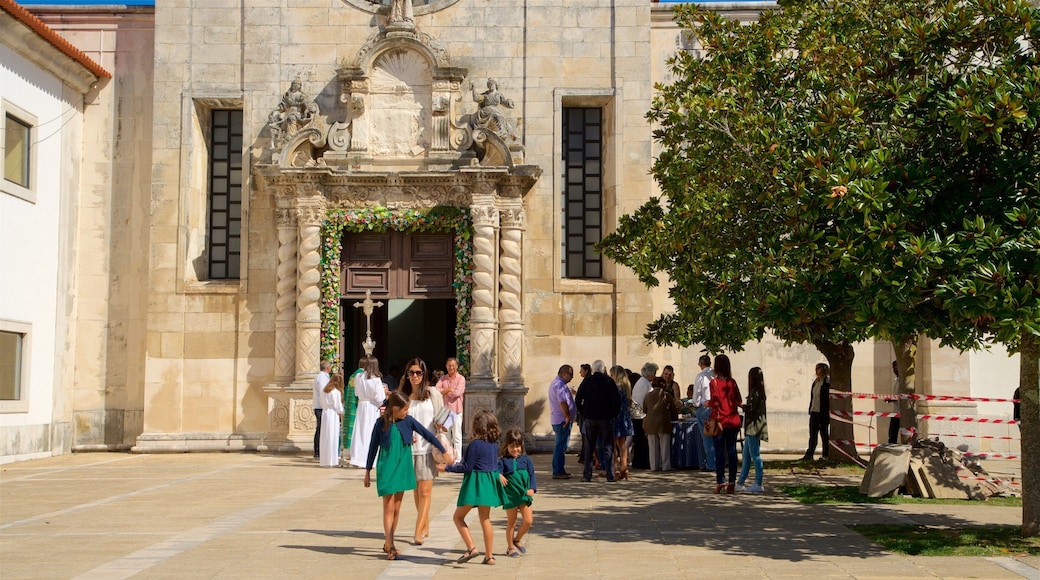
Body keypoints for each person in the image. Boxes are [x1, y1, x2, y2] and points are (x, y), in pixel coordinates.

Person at [363, 391, 446, 561]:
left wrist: (444, 450)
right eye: (405, 409)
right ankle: (390, 544)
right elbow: (373, 447)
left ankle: (389, 542)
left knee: (397, 507)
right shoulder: (380, 424)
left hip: (403, 466)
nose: (407, 412)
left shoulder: (408, 421)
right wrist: (367, 471)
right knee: (388, 506)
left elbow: (427, 434)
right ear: (394, 408)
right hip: (386, 466)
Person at [440, 409, 506, 566]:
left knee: (458, 517)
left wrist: (447, 468)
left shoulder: (474, 444)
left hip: (475, 484)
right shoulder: (494, 445)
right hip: (489, 483)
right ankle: (489, 556)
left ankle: (471, 547)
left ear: (476, 426)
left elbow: (467, 467)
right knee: (486, 519)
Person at [399, 357, 445, 546]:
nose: (415, 376)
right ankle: (424, 525)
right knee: (416, 492)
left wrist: (441, 426)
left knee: (425, 492)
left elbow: (444, 417)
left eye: (419, 372)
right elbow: (396, 420)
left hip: (427, 449)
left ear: (424, 374)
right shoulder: (402, 395)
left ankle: (417, 532)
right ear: (407, 374)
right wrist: (405, 433)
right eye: (412, 372)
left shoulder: (432, 393)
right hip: (409, 450)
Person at [575, 360, 622, 482]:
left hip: (590, 417)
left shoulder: (587, 381)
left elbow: (578, 399)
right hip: (605, 418)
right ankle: (610, 475)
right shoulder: (608, 381)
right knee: (608, 447)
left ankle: (587, 475)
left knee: (589, 447)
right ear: (603, 369)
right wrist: (613, 414)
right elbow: (617, 401)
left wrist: (584, 412)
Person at [498, 428, 536, 558]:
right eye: (512, 447)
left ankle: (517, 539)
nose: (515, 450)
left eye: (518, 447)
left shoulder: (526, 460)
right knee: (511, 523)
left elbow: (532, 475)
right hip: (511, 496)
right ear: (507, 446)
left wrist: (532, 488)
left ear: (522, 445)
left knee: (528, 521)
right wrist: (499, 475)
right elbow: (496, 471)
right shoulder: (503, 461)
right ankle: (510, 547)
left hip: (524, 494)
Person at [708, 354, 742, 494]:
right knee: (732, 451)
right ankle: (732, 481)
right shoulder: (732, 382)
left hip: (720, 421)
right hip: (733, 420)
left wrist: (707, 403)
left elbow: (715, 403)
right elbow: (738, 400)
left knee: (719, 452)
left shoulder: (714, 383)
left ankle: (720, 480)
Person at [350, 357, 390, 469]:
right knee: (370, 431)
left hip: (362, 405)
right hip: (372, 406)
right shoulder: (376, 379)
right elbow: (379, 397)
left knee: (360, 431)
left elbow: (357, 393)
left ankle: (357, 458)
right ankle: (368, 458)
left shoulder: (358, 377)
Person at [737, 367, 768, 493]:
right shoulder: (757, 392)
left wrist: (740, 405)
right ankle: (741, 481)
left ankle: (758, 482)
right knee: (746, 455)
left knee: (755, 455)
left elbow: (750, 408)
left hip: (754, 428)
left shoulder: (755, 393)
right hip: (751, 427)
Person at [643, 377, 678, 472]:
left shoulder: (647, 396)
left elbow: (644, 410)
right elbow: (673, 410)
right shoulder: (666, 395)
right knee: (665, 446)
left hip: (651, 424)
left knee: (653, 447)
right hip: (664, 423)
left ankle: (654, 466)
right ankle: (666, 466)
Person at [548, 365, 576, 479]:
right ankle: (558, 471)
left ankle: (560, 469)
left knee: (561, 445)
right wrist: (567, 417)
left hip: (560, 419)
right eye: (571, 375)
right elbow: (562, 402)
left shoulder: (559, 384)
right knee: (560, 446)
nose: (572, 377)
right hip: (561, 420)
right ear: (564, 373)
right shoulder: (559, 385)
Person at [436, 357, 466, 463]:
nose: (451, 368)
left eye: (453, 365)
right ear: (446, 366)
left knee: (457, 435)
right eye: (449, 365)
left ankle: (457, 459)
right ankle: (448, 457)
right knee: (446, 436)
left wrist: (444, 392)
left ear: (457, 366)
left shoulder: (461, 379)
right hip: (445, 411)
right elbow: (436, 390)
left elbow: (457, 393)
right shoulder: (443, 379)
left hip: (456, 411)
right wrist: (448, 390)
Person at [801, 363, 831, 461]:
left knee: (824, 434)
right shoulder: (815, 382)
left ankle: (825, 455)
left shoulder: (827, 382)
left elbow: (827, 399)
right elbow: (813, 397)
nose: (816, 370)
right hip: (814, 411)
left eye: (818, 368)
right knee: (812, 434)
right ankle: (809, 454)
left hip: (822, 412)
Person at [630, 362, 657, 470]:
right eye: (654, 373)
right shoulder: (646, 384)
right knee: (642, 441)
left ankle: (638, 461)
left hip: (636, 414)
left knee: (638, 440)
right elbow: (647, 400)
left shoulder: (640, 382)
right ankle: (643, 462)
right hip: (641, 415)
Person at [692, 355, 716, 471]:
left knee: (707, 437)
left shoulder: (701, 376)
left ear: (700, 365)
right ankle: (718, 461)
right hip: (716, 407)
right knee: (717, 434)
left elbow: (696, 393)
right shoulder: (715, 374)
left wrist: (695, 404)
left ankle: (711, 463)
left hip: (705, 407)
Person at [610, 365, 634, 480]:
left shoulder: (616, 387)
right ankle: (624, 467)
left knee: (613, 445)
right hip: (625, 417)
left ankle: (615, 469)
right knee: (622, 445)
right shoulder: (626, 387)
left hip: (616, 417)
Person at [320, 373, 345, 467]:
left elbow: (322, 403)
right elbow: (338, 406)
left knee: (325, 436)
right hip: (333, 414)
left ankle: (325, 460)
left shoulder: (324, 390)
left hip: (325, 413)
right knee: (333, 436)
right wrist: (343, 410)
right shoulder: (335, 392)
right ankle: (332, 460)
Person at [343, 357, 366, 461]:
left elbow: (347, 390)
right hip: (360, 405)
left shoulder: (353, 376)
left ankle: (348, 451)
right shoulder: (363, 376)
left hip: (349, 405)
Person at [312, 360, 331, 459]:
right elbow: (324, 392)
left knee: (320, 428)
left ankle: (318, 450)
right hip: (321, 407)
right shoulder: (323, 378)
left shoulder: (321, 377)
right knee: (321, 429)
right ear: (327, 368)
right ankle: (318, 451)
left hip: (320, 406)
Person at [888, 360, 901, 444]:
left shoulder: (903, 381)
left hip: (903, 412)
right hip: (896, 411)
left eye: (896, 367)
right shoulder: (896, 380)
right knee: (892, 433)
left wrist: (893, 399)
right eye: (893, 368)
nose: (894, 370)